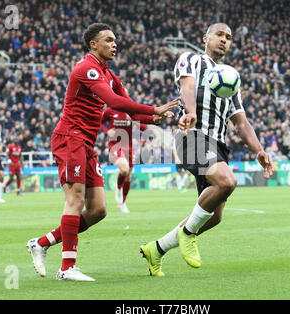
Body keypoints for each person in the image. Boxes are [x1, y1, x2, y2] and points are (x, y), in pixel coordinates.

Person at [25, 23, 178, 282]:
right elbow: (115, 102)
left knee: (98, 210)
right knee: (75, 199)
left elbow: (128, 109)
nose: (114, 44)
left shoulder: (108, 73)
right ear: (93, 44)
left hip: (86, 142)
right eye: (108, 40)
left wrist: (153, 120)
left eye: (115, 40)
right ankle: (67, 267)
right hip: (69, 138)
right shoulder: (87, 68)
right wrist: (154, 109)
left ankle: (41, 243)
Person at [140, 23, 274, 276]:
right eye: (220, 35)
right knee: (226, 181)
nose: (224, 40)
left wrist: (259, 150)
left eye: (229, 37)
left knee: (214, 217)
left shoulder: (231, 77)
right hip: (192, 135)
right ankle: (188, 235)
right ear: (206, 38)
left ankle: (156, 249)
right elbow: (187, 88)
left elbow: (241, 121)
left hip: (218, 144)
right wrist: (190, 112)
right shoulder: (190, 59)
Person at [101, 106, 169, 213]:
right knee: (124, 169)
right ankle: (118, 188)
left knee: (128, 177)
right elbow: (100, 122)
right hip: (115, 146)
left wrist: (141, 125)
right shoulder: (109, 111)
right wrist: (107, 131)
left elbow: (143, 127)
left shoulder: (130, 112)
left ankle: (123, 203)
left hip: (128, 147)